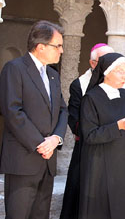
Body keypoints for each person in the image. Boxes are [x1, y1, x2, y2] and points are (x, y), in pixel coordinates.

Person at [0, 20, 68, 219]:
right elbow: (13, 111)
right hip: (23, 160)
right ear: (41, 47)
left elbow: (63, 110)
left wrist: (56, 138)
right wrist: (41, 144)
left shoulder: (53, 75)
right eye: (58, 46)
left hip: (47, 165)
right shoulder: (14, 69)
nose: (61, 51)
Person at [78, 52, 125, 219]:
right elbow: (89, 135)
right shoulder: (91, 98)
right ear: (106, 72)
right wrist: (118, 126)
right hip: (99, 165)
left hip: (122, 164)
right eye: (120, 71)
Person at [60, 43, 114, 219]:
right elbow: (73, 118)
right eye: (105, 61)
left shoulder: (120, 83)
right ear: (93, 63)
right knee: (78, 193)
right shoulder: (79, 85)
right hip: (86, 146)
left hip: (113, 148)